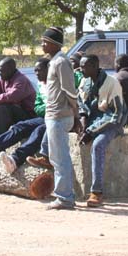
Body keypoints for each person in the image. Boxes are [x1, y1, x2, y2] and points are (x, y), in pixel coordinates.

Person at [77, 54, 128, 207]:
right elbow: (81, 102)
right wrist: (83, 119)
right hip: (93, 121)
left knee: (98, 145)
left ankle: (96, 192)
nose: (80, 69)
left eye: (84, 66)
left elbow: (115, 115)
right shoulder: (84, 81)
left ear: (94, 66)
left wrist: (91, 131)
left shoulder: (112, 83)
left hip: (112, 123)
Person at [41, 26, 80, 210]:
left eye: (45, 42)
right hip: (53, 115)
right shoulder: (55, 61)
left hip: (59, 116)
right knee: (56, 158)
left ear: (53, 44)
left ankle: (65, 198)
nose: (42, 45)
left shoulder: (61, 62)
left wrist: (76, 113)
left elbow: (69, 90)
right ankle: (64, 196)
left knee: (60, 158)